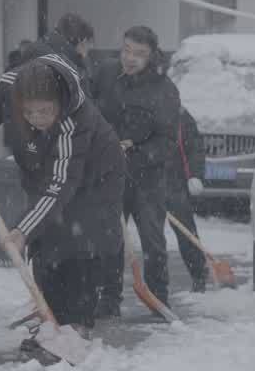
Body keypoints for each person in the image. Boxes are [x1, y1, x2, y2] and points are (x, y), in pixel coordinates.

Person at [0, 54, 125, 361]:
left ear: (59, 102)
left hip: (96, 176)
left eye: (45, 111)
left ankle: (75, 327)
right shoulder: (10, 86)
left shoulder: (76, 119)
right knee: (45, 243)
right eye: (28, 111)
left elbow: (60, 185)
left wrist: (21, 230)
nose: (36, 118)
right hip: (43, 168)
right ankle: (50, 322)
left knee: (79, 243)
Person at [92, 26, 181, 315]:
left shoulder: (164, 89)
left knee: (152, 241)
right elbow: (87, 112)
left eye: (139, 54)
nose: (130, 58)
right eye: (126, 50)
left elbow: (167, 141)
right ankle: (108, 300)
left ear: (152, 55)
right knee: (110, 238)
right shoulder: (105, 75)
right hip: (110, 175)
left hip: (147, 179)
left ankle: (158, 298)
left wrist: (135, 151)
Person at [166, 106, 210, 292]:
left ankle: (199, 274)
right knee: (150, 240)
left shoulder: (179, 115)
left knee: (185, 231)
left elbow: (195, 148)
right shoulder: (128, 108)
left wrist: (194, 174)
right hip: (141, 184)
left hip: (174, 182)